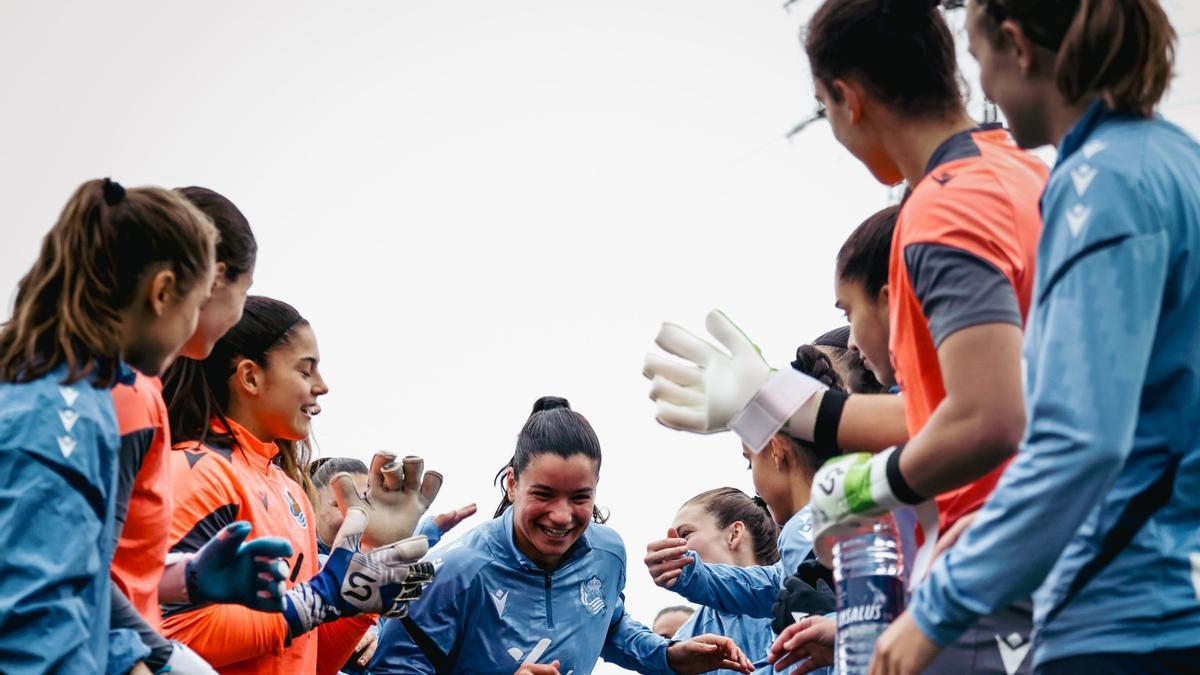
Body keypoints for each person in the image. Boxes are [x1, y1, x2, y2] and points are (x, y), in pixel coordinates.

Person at [644, 1, 1048, 669]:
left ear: (847, 98)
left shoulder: (944, 207)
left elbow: (989, 417)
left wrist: (858, 485)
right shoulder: (1026, 172)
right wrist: (779, 396)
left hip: (999, 576)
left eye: (823, 107)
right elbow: (987, 398)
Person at [872, 1, 1200, 673]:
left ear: (1018, 46)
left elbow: (1080, 439)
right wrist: (998, 532)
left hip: (1120, 614)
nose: (981, 88)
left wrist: (939, 607)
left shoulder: (1099, 184)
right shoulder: (1174, 160)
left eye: (979, 54)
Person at [0, 178, 216, 673]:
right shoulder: (59, 413)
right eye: (197, 304)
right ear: (162, 292)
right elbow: (33, 626)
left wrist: (129, 659)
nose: (194, 327)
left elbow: (77, 582)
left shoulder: (69, 390)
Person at [371, 396, 753, 674]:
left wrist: (668, 656)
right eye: (543, 494)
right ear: (511, 484)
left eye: (580, 497)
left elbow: (610, 624)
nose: (561, 515)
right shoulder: (450, 571)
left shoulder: (609, 553)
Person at [160, 296, 431, 674]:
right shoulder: (194, 473)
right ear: (251, 377)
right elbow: (172, 637)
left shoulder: (290, 490)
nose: (322, 386)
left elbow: (310, 660)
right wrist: (317, 601)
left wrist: (357, 596)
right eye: (306, 372)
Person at [109, 185, 274, 673]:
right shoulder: (121, 392)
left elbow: (109, 567)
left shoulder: (138, 394)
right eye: (242, 292)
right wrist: (153, 657)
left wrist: (186, 579)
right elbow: (65, 572)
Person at [664, 488, 782, 674]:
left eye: (685, 534)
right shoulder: (686, 642)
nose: (671, 547)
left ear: (734, 534)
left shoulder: (801, 598)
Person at [311, 457, 477, 557]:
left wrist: (430, 531)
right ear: (311, 509)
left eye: (365, 503)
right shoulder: (300, 560)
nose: (356, 513)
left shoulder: (375, 563)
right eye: (339, 504)